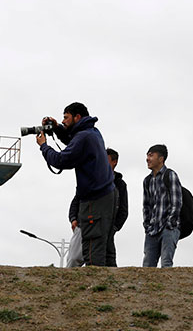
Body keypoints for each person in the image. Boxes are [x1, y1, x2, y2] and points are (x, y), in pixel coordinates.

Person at [36, 102, 116, 266]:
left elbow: (61, 160)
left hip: (96, 199)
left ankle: (96, 287)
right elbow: (73, 141)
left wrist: (44, 146)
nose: (63, 121)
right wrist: (57, 127)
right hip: (104, 195)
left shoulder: (84, 137)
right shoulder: (91, 132)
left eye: (66, 118)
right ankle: (103, 287)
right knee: (100, 247)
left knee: (92, 248)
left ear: (77, 117)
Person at [69, 148, 129, 266]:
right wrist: (73, 219)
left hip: (106, 228)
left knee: (105, 260)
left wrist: (114, 227)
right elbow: (77, 200)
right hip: (84, 224)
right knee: (74, 260)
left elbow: (123, 209)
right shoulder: (90, 178)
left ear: (114, 162)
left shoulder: (119, 185)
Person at [142, 144, 183, 267]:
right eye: (147, 155)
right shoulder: (147, 181)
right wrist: (147, 226)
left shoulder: (170, 175)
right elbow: (146, 206)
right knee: (147, 266)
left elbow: (177, 202)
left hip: (168, 228)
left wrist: (170, 223)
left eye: (151, 155)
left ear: (161, 159)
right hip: (152, 230)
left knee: (166, 264)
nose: (147, 159)